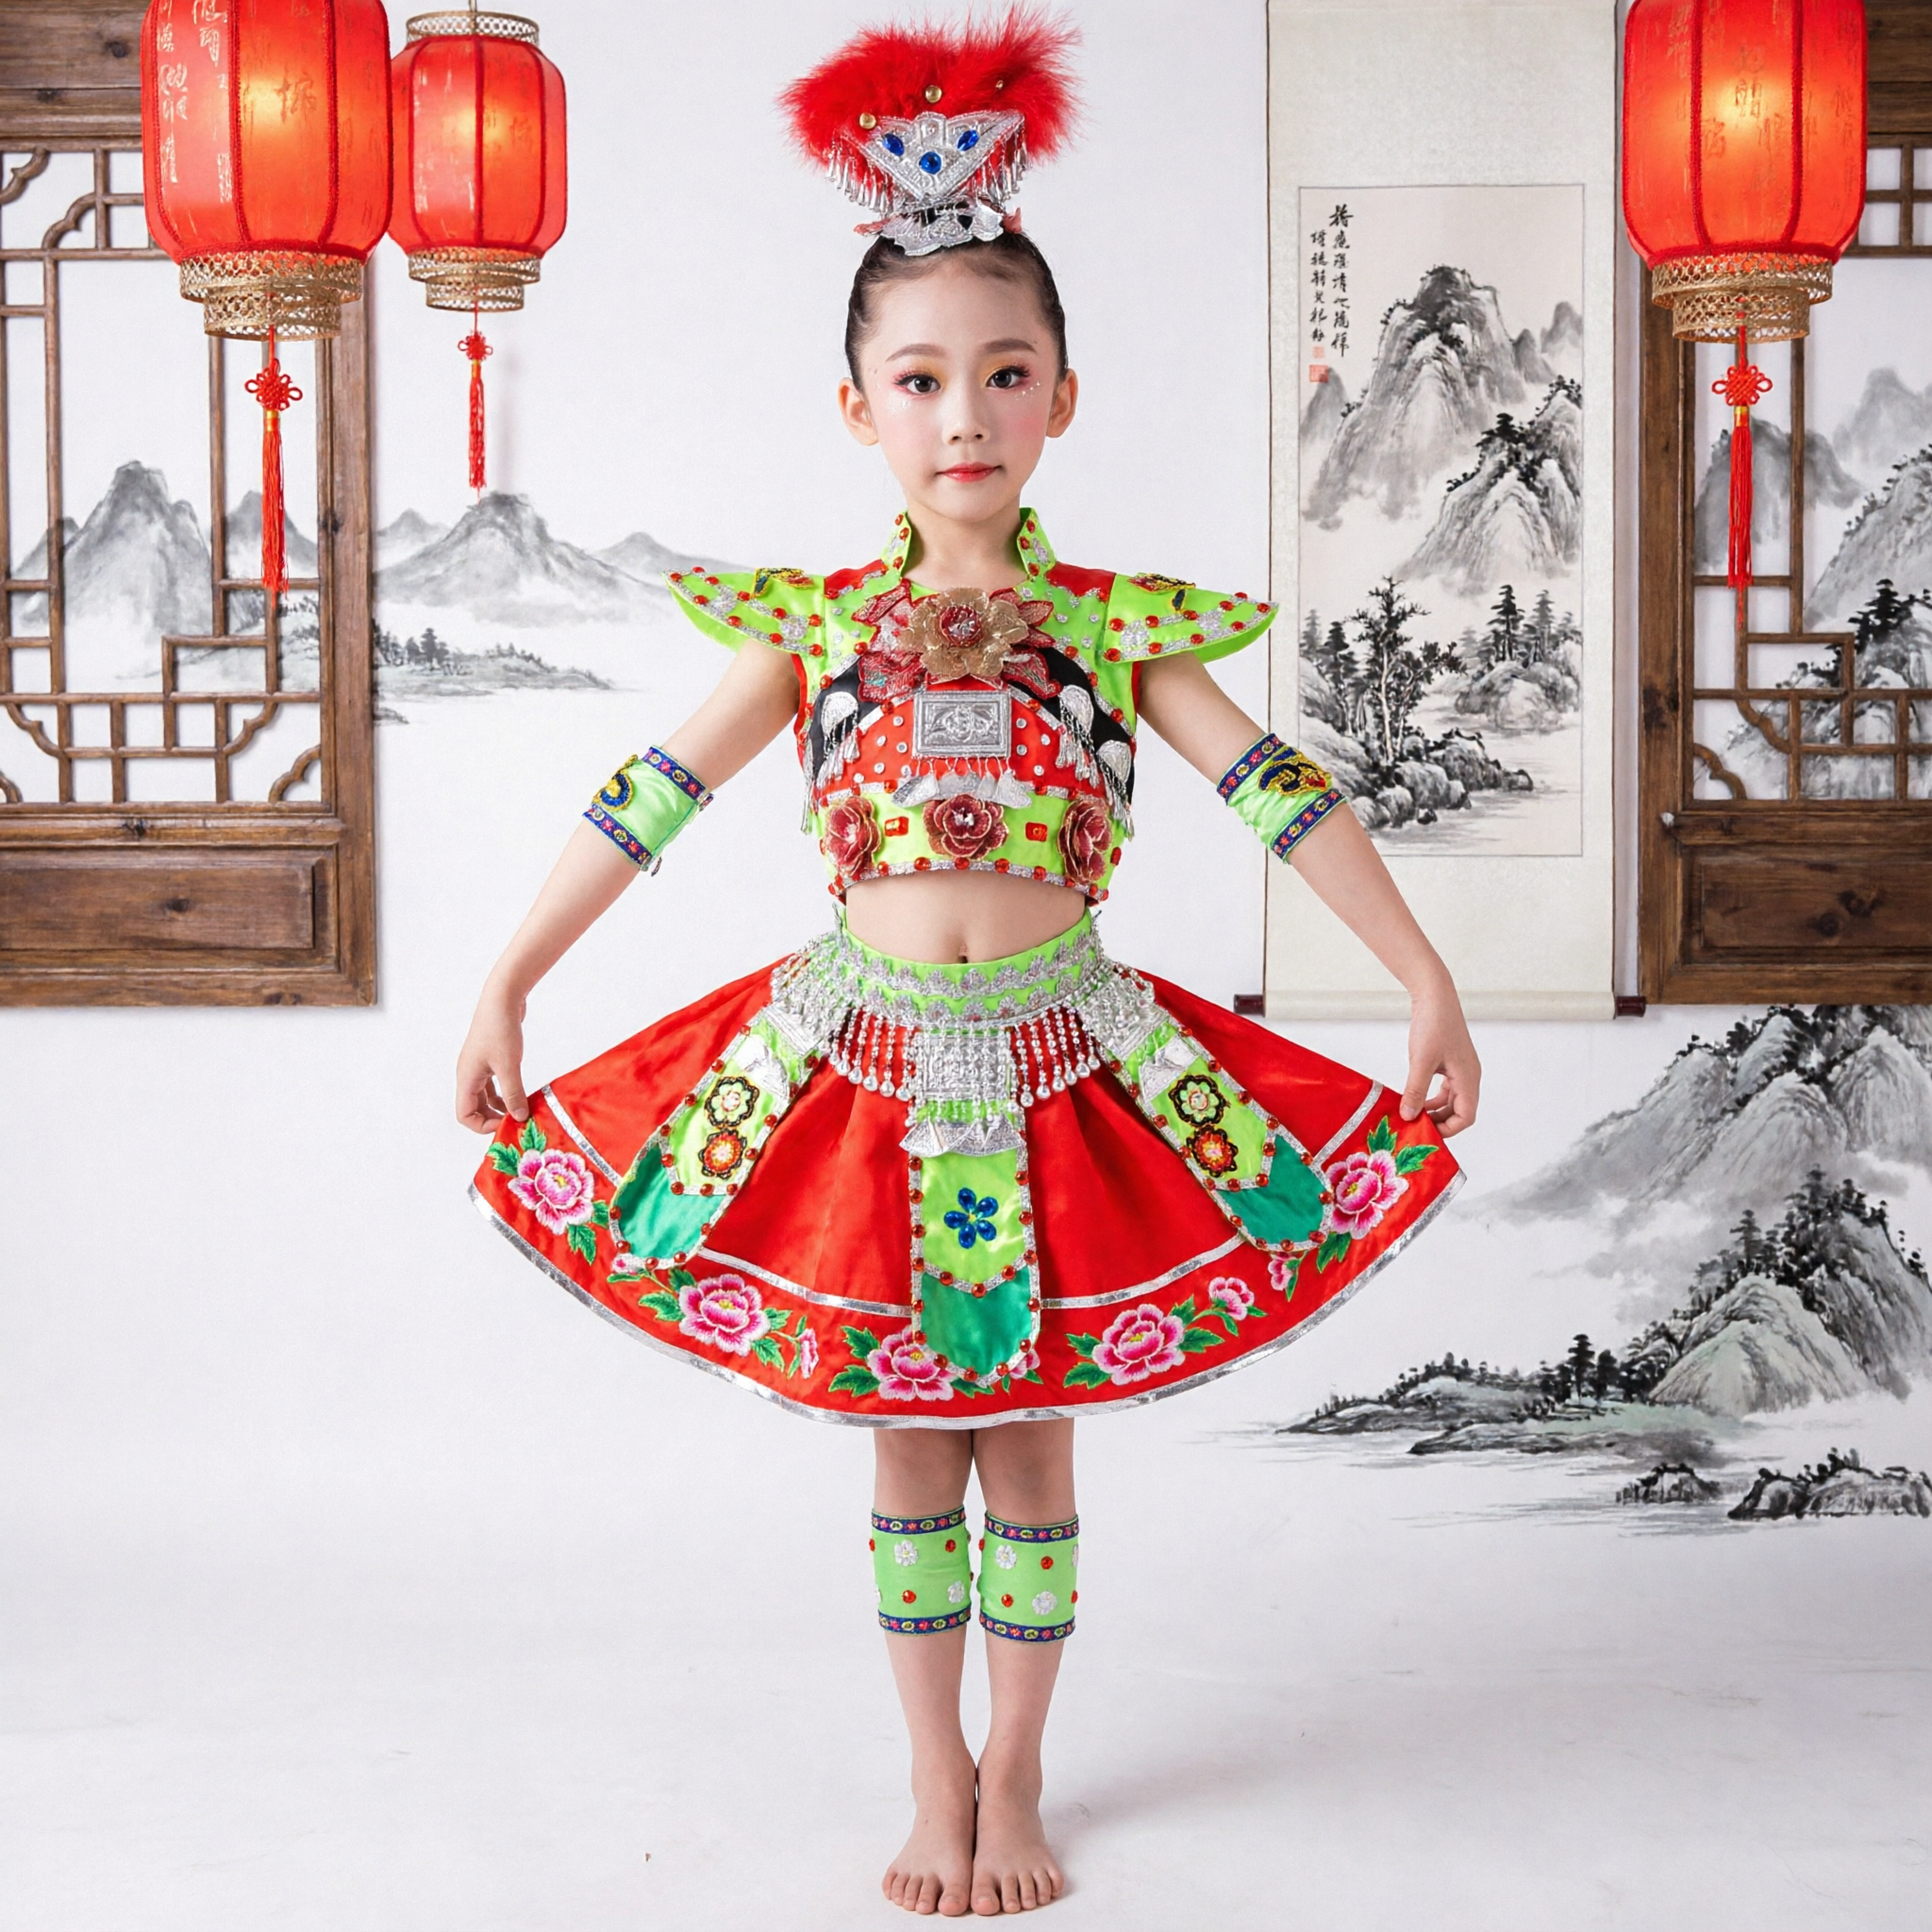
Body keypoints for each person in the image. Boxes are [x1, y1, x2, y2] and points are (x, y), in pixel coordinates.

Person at [456, 15, 1477, 1919]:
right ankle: (931, 1774)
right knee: (908, 1437)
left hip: (1071, 1059)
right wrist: (513, 975)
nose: (963, 418)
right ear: (857, 406)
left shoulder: (1111, 630)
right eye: (919, 378)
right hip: (854, 1055)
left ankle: (1020, 1771)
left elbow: (1274, 788)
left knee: (1029, 1430)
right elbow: (647, 798)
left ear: (1062, 397)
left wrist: (1417, 971)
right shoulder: (808, 626)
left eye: (1002, 375)